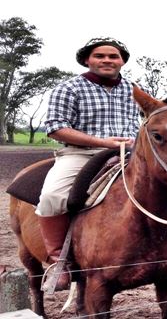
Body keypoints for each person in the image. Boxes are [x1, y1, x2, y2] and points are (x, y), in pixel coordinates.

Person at [37, 37, 139, 291]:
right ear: (86, 60)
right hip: (82, 154)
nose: (107, 60)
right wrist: (103, 143)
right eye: (100, 56)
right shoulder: (69, 88)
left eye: (113, 56)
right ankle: (58, 260)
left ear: (122, 61)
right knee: (52, 195)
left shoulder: (134, 89)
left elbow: (146, 122)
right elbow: (56, 128)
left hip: (132, 152)